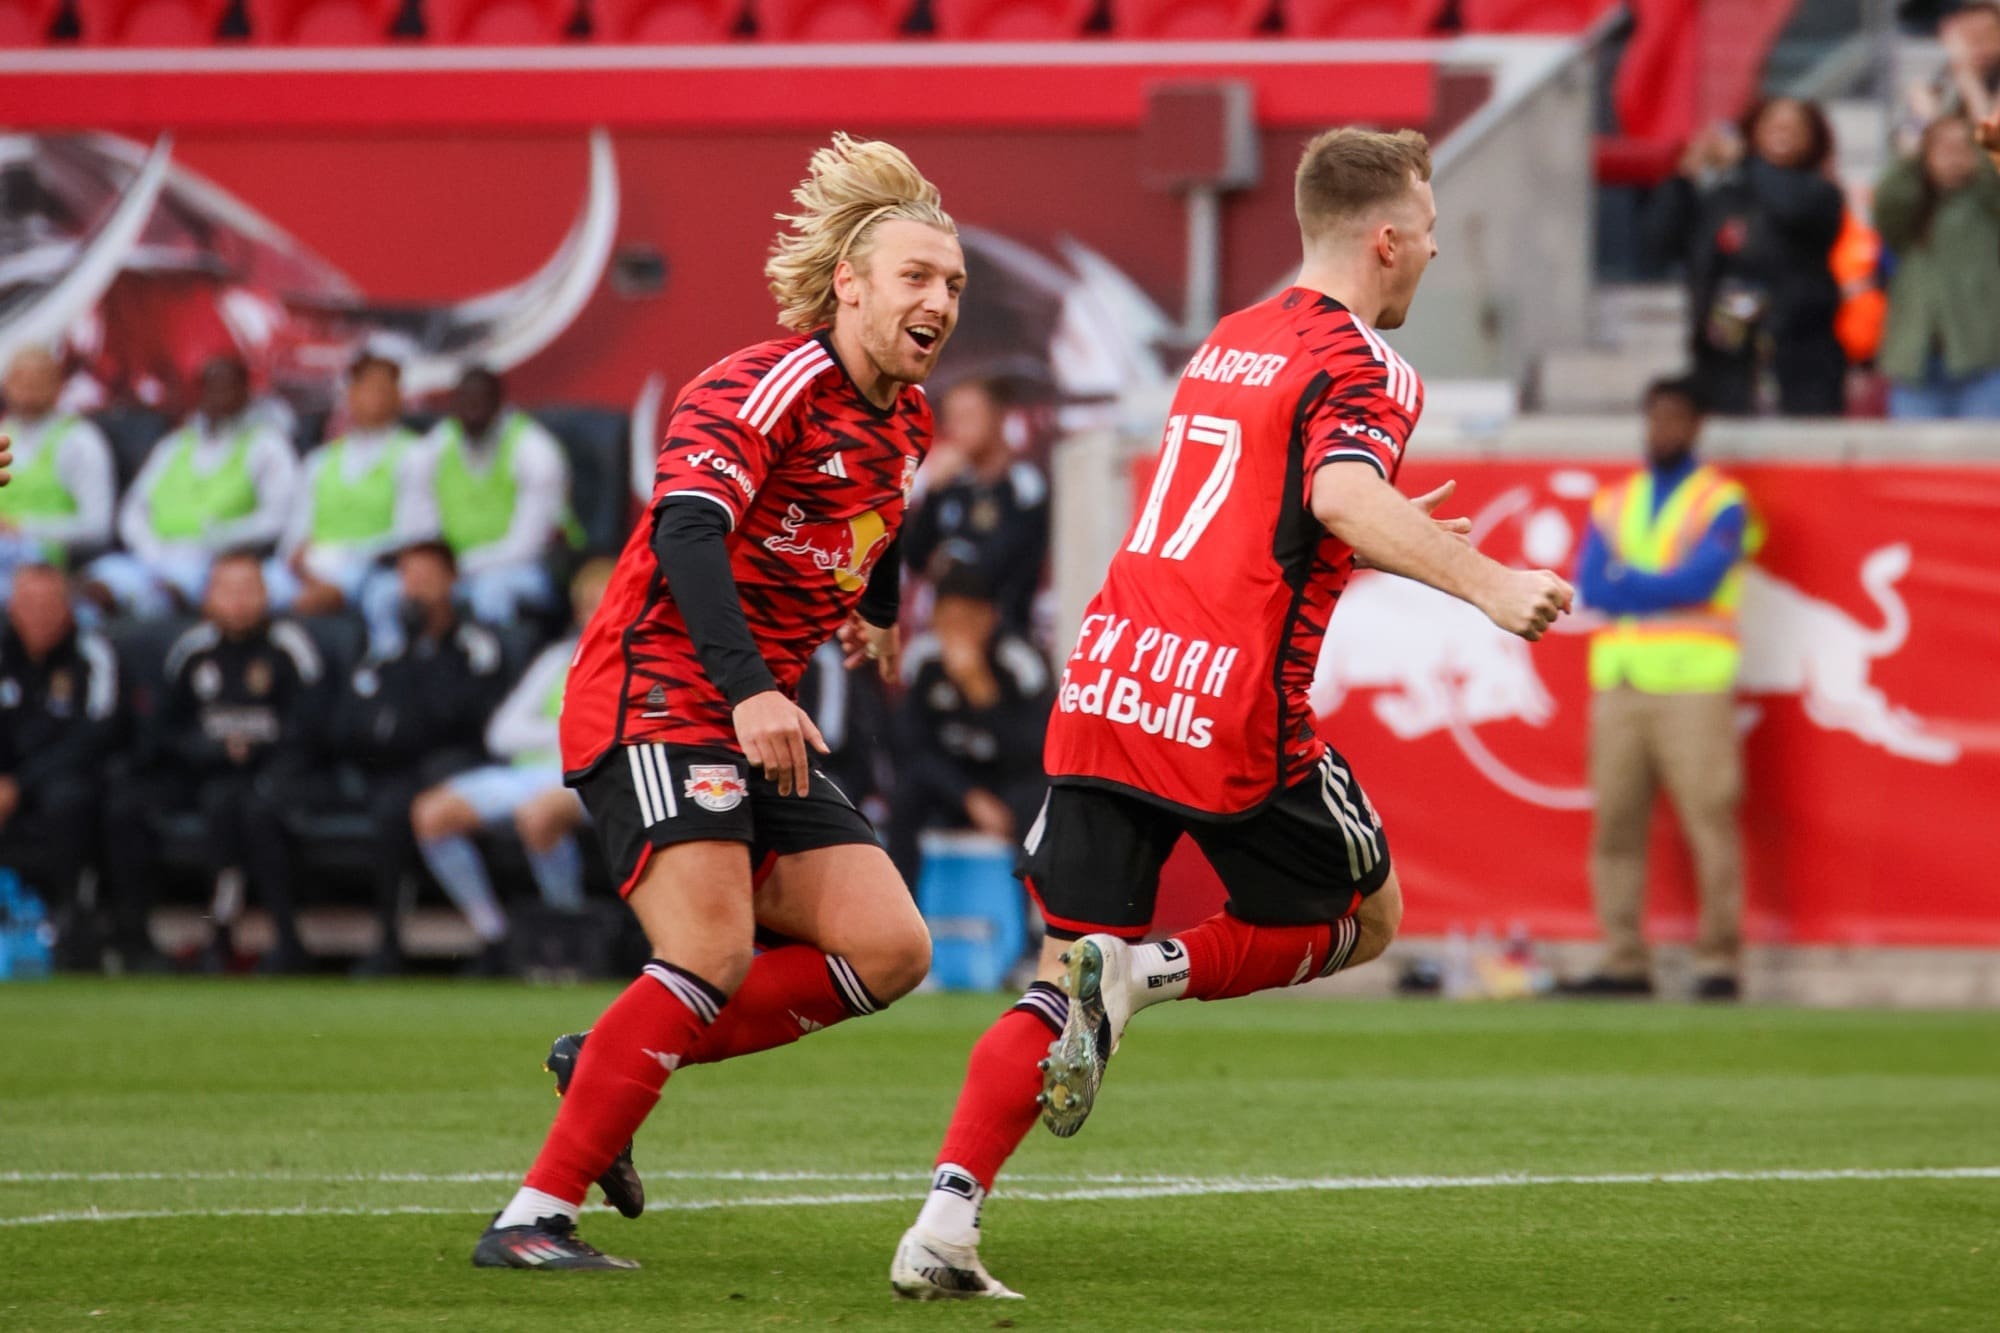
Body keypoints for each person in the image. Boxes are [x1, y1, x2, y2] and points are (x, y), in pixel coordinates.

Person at [889, 127, 1574, 1300]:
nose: (1429, 262)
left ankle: (943, 1223)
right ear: (1386, 239)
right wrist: (1487, 583)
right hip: (1223, 699)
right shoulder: (1368, 362)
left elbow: (1259, 525)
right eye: (1431, 241)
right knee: (1367, 917)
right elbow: (1338, 492)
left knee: (1059, 969)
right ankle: (1148, 973)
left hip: (1109, 673)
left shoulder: (1230, 337)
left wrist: (1391, 551)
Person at [472, 133, 962, 1270]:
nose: (937, 299)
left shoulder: (909, 420)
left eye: (950, 284)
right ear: (847, 284)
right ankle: (533, 1216)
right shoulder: (763, 380)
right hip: (658, 691)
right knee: (709, 951)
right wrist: (749, 691)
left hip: (755, 710)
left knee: (889, 947)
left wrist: (876, 608)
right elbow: (688, 529)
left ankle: (607, 1054)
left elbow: (876, 523)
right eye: (915, 277)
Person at [1564, 378, 1761, 1001]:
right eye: (1654, 418)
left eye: (1674, 418)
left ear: (1697, 425)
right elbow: (1591, 586)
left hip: (1693, 685)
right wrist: (1657, 585)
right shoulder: (1615, 499)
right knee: (1615, 825)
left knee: (1710, 820)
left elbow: (1702, 581)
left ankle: (1718, 961)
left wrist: (1634, 584)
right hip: (1621, 684)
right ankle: (1623, 960)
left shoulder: (1723, 501)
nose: (1662, 431)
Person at [101, 552, 322, 972]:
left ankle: (281, 939)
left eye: (248, 589)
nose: (238, 601)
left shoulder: (290, 647)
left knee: (250, 806)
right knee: (128, 805)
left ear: (265, 595)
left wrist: (256, 752)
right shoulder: (191, 650)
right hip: (201, 775)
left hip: (273, 776)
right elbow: (162, 729)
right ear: (208, 597)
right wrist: (211, 751)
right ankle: (140, 939)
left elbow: (312, 725)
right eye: (228, 590)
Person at [306, 539, 508, 976]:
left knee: (403, 805)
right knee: (387, 801)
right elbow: (349, 724)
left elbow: (468, 719)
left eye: (427, 578)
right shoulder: (386, 649)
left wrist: (409, 706)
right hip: (390, 770)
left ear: (452, 582)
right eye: (408, 578)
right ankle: (388, 940)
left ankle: (493, 938)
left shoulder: (477, 645)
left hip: (455, 770)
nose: (416, 589)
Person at [403, 558, 615, 964]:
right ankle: (495, 935)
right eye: (592, 604)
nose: (600, 614)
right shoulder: (557, 659)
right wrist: (571, 727)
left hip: (592, 776)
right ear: (579, 612)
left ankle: (565, 927)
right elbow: (502, 732)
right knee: (431, 814)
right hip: (529, 772)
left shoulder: (641, 662)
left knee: (538, 816)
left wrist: (567, 732)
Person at [1648, 98, 1847, 417]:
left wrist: (1746, 161)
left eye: (1796, 126)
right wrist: (1683, 179)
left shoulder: (1821, 194)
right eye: (1773, 123)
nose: (1783, 130)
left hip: (1800, 355)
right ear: (1753, 131)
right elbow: (1661, 242)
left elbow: (1790, 206)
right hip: (1729, 352)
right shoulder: (1727, 196)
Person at [90, 355, 300, 617]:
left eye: (227, 386)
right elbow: (134, 508)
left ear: (246, 392)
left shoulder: (267, 445)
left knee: (168, 591)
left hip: (213, 562)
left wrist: (220, 538)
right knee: (95, 588)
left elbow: (276, 518)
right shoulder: (174, 445)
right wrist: (150, 547)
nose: (218, 395)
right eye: (211, 387)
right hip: (152, 555)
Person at [886, 561, 1050, 889]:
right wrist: (968, 796)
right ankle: (903, 907)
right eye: (948, 620)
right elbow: (910, 746)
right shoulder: (924, 660)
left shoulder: (1020, 661)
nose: (958, 632)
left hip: (1009, 780)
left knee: (1038, 803)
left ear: (990, 616)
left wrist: (981, 690)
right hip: (955, 782)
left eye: (968, 620)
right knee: (905, 795)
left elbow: (1036, 750)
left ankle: (1031, 920)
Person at [0, 563, 118, 967]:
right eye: (28, 603)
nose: (38, 614)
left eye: (48, 603)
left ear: (68, 608)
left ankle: (72, 923)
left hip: (60, 782)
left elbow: (95, 735)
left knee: (70, 798)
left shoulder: (92, 653)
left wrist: (20, 785)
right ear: (11, 607)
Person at [270, 353, 426, 631]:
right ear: (349, 395)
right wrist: (303, 567)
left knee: (386, 596)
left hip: (374, 567)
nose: (372, 397)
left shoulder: (417, 454)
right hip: (314, 567)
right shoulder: (319, 460)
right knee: (253, 587)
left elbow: (413, 534)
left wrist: (349, 564)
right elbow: (296, 535)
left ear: (399, 397)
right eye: (363, 387)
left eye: (381, 388)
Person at [410, 369, 569, 630]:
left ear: (500, 404)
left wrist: (457, 568)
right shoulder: (434, 446)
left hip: (525, 568)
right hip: (455, 571)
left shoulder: (535, 451)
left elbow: (527, 545)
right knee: (391, 593)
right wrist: (434, 572)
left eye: (480, 402)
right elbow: (420, 523)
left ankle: (494, 662)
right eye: (465, 403)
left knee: (492, 590)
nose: (472, 412)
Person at [1873, 116, 2000, 418]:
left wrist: (1983, 148)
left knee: (1979, 461)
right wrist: (1914, 154)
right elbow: (1888, 198)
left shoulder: (1988, 206)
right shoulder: (1912, 209)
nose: (1952, 157)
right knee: (1912, 461)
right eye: (1941, 148)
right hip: (1918, 361)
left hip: (1982, 359)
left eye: (1963, 148)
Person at [901, 377, 1049, 633]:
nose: (957, 428)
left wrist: (951, 562)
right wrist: (933, 492)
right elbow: (915, 557)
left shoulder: (1024, 484)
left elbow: (1008, 562)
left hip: (1008, 628)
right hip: (943, 626)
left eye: (968, 416)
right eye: (952, 418)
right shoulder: (951, 486)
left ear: (998, 417)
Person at [0, 348, 116, 589]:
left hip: (43, 563)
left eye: (36, 381)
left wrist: (21, 528)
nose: (26, 391)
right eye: (19, 380)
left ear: (57, 385)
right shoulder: (3, 433)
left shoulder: (80, 441)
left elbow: (96, 527)